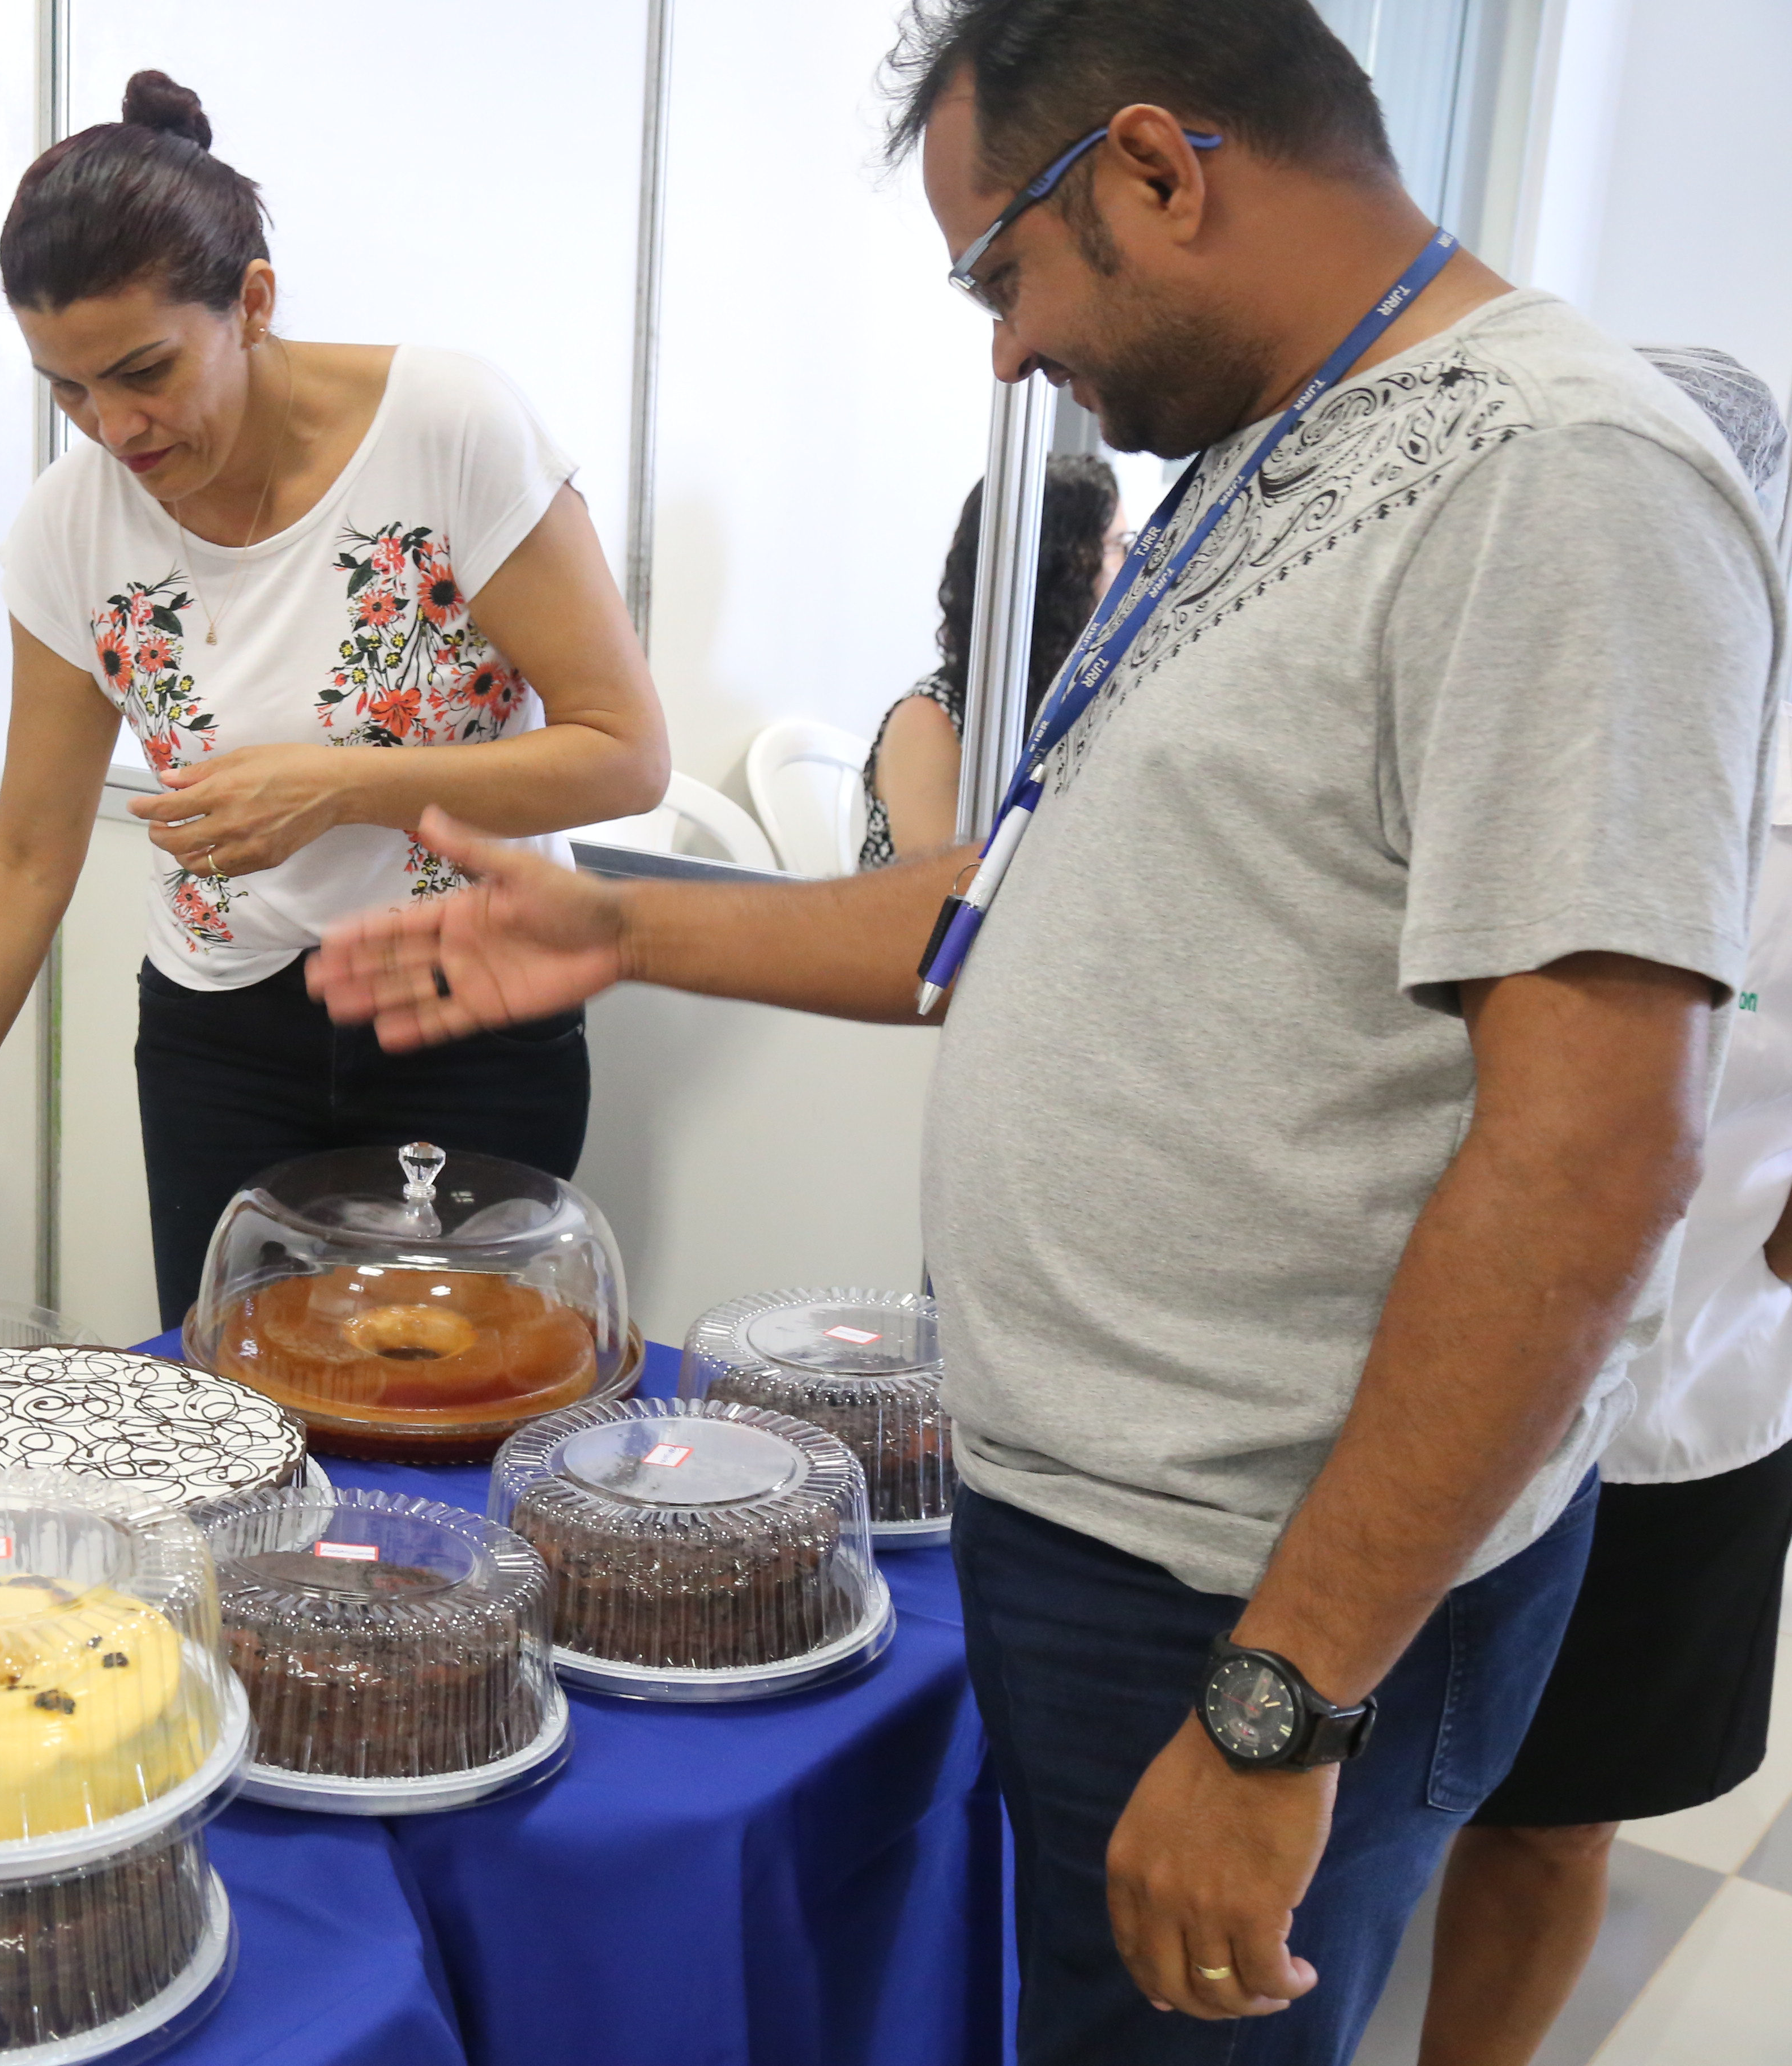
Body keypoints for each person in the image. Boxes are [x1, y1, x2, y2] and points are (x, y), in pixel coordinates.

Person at [304, 3, 1785, 2060]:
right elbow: (1000, 906)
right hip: (1103, 1520)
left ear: (1163, 170)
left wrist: (1275, 1709)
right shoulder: (1265, 457)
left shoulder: (1566, 476)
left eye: (999, 268)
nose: (1001, 350)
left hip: (1252, 1585)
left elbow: (1594, 1150)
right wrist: (617, 923)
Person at [0, 70, 667, 1330]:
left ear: (253, 303)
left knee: (459, 1403)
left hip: (471, 1009)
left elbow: (625, 754)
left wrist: (346, 786)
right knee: (240, 1416)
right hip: (221, 1038)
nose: (113, 427)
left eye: (144, 371)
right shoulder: (70, 528)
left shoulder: (449, 430)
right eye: (66, 389)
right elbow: (25, 850)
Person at [1417, 348, 1792, 2066]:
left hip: (1685, 1397)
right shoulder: (1458, 709)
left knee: (1564, 1813)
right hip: (1412, 1376)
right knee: (1342, 1775)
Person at [860, 453, 1123, 866]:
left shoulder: (1079, 697)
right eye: (1118, 546)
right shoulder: (930, 718)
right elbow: (941, 900)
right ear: (1063, 568)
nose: (1135, 568)